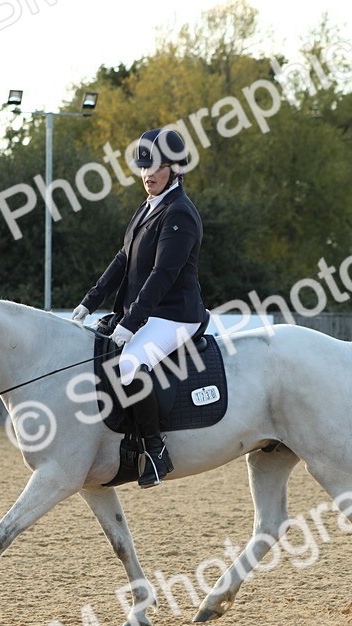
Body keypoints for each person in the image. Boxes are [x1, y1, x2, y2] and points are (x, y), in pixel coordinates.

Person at [71, 128, 209, 488]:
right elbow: (123, 259)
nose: (148, 175)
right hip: (149, 311)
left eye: (157, 168)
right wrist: (90, 300)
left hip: (175, 315)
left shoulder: (179, 213)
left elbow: (162, 275)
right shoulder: (149, 206)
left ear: (176, 169)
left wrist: (131, 322)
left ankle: (154, 450)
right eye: (143, 168)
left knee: (130, 366)